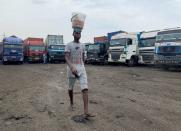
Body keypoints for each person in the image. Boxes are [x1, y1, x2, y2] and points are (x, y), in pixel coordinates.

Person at [65, 28, 95, 118]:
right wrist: (71, 67)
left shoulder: (83, 45)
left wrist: (82, 66)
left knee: (85, 88)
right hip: (71, 69)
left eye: (79, 32)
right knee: (70, 88)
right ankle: (71, 103)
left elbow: (83, 57)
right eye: (76, 32)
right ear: (73, 34)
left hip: (81, 68)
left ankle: (86, 111)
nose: (78, 33)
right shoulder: (69, 45)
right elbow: (66, 57)